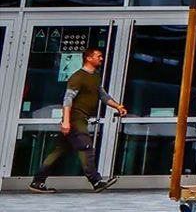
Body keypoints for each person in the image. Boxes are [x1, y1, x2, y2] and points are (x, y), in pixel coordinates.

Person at [27, 46, 127, 193]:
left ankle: (37, 182)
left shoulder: (94, 76)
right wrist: (66, 121)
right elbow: (68, 99)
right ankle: (96, 181)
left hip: (79, 119)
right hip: (75, 120)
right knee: (86, 148)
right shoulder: (78, 77)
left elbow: (102, 95)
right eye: (98, 56)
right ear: (88, 58)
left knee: (58, 151)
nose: (101, 58)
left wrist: (117, 106)